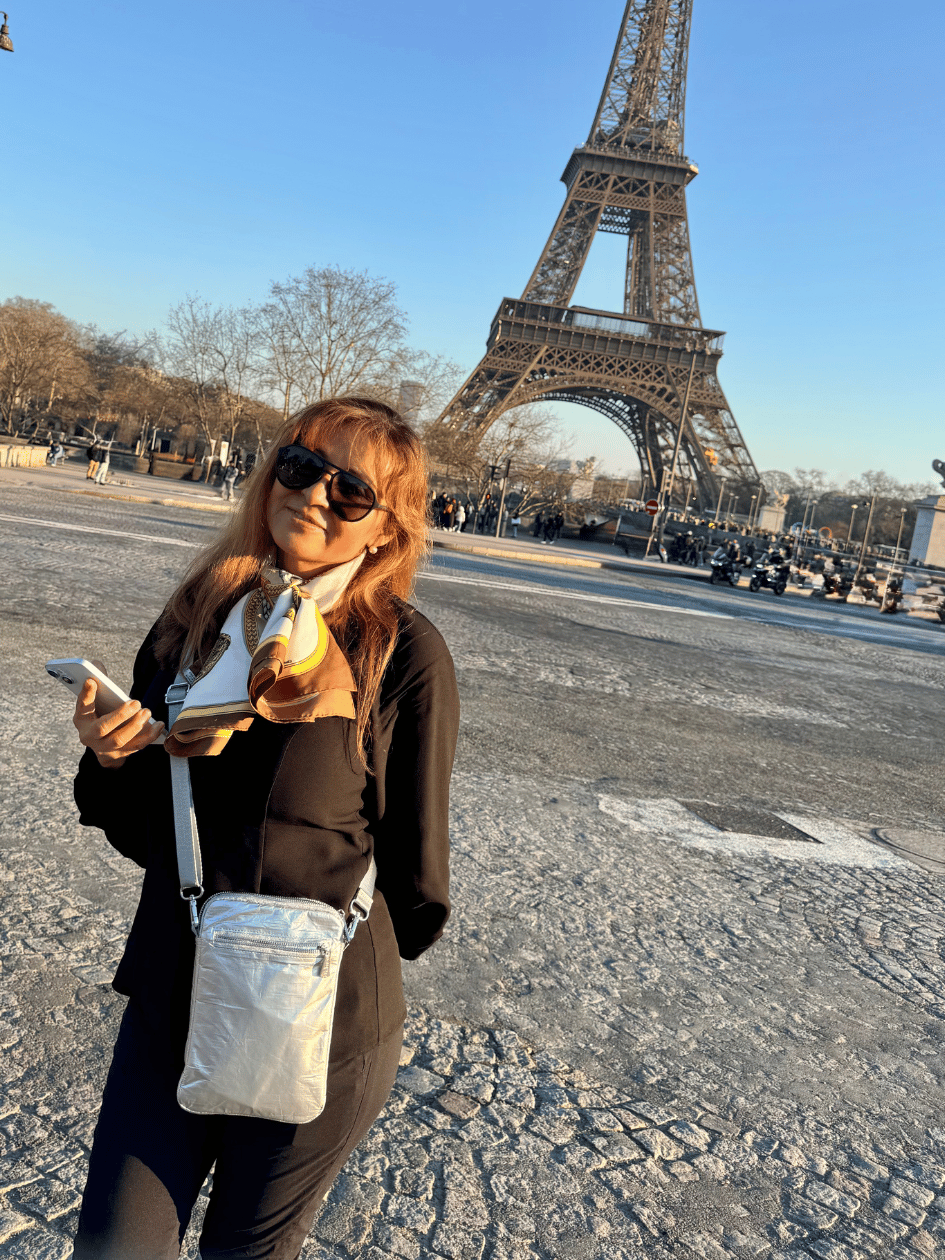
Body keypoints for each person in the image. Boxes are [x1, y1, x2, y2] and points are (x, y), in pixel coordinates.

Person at [69, 397, 460, 1259]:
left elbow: (418, 883)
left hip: (316, 1013)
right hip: (177, 980)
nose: (317, 494)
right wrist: (113, 759)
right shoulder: (197, 616)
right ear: (269, 472)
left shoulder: (400, 653)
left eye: (352, 490)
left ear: (386, 530)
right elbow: (145, 832)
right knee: (112, 1249)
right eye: (300, 465)